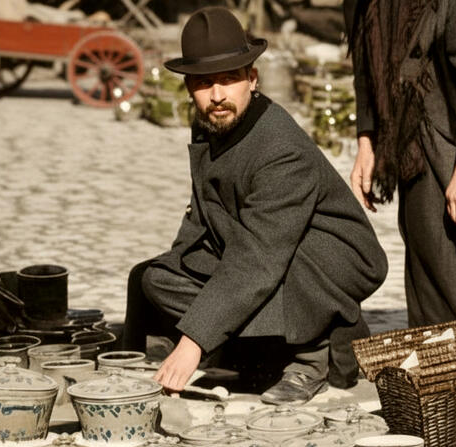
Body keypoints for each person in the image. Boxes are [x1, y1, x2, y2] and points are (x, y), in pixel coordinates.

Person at [122, 6, 388, 404]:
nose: (217, 96)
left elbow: (259, 257)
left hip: (324, 259)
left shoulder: (280, 147)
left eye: (229, 80)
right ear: (189, 86)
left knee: (275, 271)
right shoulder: (212, 121)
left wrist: (194, 339)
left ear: (252, 78)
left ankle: (314, 352)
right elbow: (202, 211)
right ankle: (255, 347)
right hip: (254, 245)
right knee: (155, 278)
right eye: (204, 83)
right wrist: (175, 274)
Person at [345, 0, 456, 329]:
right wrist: (367, 138)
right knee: (432, 272)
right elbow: (364, 59)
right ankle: (449, 370)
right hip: (413, 138)